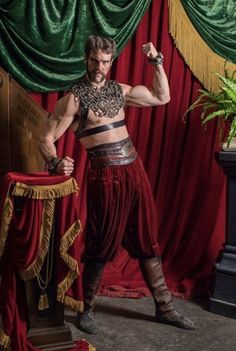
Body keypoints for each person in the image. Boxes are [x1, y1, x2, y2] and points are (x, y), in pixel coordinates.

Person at [39, 35, 195, 334]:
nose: (100, 67)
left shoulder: (119, 91)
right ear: (86, 59)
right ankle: (87, 309)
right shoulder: (74, 99)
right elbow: (45, 138)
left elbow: (162, 97)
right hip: (104, 176)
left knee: (147, 237)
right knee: (100, 242)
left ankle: (165, 307)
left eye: (106, 62)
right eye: (95, 61)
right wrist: (55, 162)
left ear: (111, 61)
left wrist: (156, 61)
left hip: (134, 172)